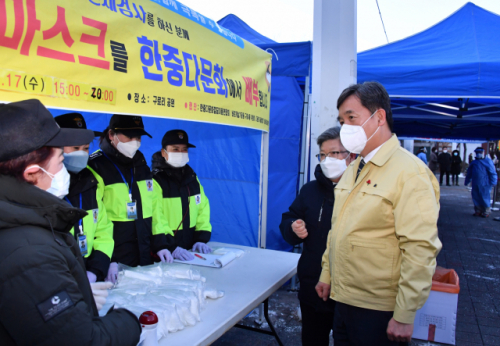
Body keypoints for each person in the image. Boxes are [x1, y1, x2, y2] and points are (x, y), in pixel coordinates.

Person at [0, 99, 141, 345]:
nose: (66, 168)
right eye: (61, 161)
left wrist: (92, 274)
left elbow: (104, 228)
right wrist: (133, 320)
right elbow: (81, 340)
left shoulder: (30, 216)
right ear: (32, 173)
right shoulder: (29, 252)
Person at [315, 82, 441, 345]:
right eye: (341, 120)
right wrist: (327, 274)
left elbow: (420, 247)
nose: (345, 127)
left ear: (379, 117)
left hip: (379, 307)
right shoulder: (354, 168)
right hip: (344, 298)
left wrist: (405, 314)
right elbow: (338, 229)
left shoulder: (409, 173)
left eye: (352, 117)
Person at [280, 127, 355, 346]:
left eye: (335, 153)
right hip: (313, 286)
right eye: (323, 154)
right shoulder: (310, 190)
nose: (327, 159)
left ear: (350, 157)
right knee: (313, 340)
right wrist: (293, 227)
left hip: (348, 291)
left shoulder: (362, 191)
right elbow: (289, 217)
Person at [88, 114, 174, 282]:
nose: (135, 142)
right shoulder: (96, 166)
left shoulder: (140, 163)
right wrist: (107, 259)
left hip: (144, 253)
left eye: (138, 137)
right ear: (111, 135)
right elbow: (95, 221)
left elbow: (153, 206)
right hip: (116, 259)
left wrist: (161, 244)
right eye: (130, 136)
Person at [55, 113, 114, 283]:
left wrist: (96, 270)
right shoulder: (45, 184)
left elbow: (104, 230)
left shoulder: (93, 181)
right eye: (75, 148)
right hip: (58, 276)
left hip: (89, 271)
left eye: (86, 148)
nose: (82, 154)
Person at [151, 129, 212, 261]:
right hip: (165, 252)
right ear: (164, 152)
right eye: (175, 149)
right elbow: (156, 216)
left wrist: (201, 238)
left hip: (191, 250)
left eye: (184, 149)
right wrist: (169, 245)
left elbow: (203, 207)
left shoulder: (192, 177)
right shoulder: (155, 180)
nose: (181, 153)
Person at [465, 147, 498, 218]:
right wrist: (467, 180)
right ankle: (478, 210)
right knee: (476, 196)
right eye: (477, 153)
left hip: (485, 183)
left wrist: (494, 181)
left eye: (480, 152)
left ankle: (486, 211)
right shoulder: (474, 162)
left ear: (483, 153)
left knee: (485, 197)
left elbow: (492, 172)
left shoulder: (488, 162)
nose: (479, 154)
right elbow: (469, 173)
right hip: (475, 183)